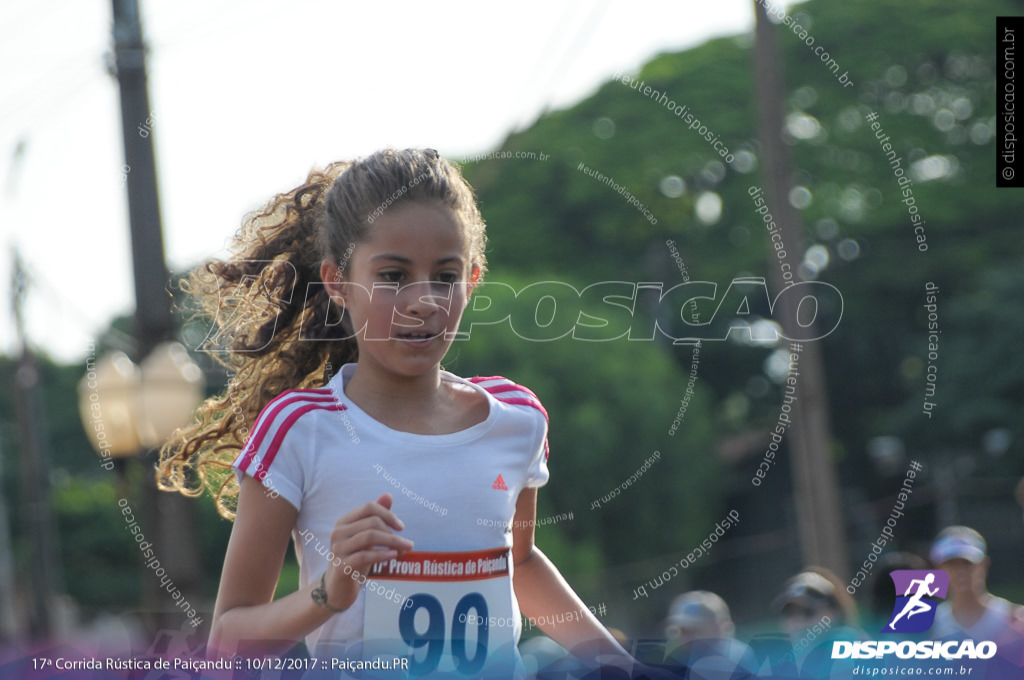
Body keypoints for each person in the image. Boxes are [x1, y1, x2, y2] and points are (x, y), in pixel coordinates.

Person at [160, 148, 634, 677]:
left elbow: (519, 562)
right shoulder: (299, 428)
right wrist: (328, 592)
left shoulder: (517, 419)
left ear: (472, 280)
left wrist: (621, 665)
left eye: (445, 276)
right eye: (393, 275)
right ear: (338, 282)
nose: (423, 301)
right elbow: (228, 641)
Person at [928, 526, 1024, 646]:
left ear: (984, 565)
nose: (960, 571)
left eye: (967, 563)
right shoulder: (931, 626)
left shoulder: (1014, 619)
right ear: (938, 569)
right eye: (951, 564)